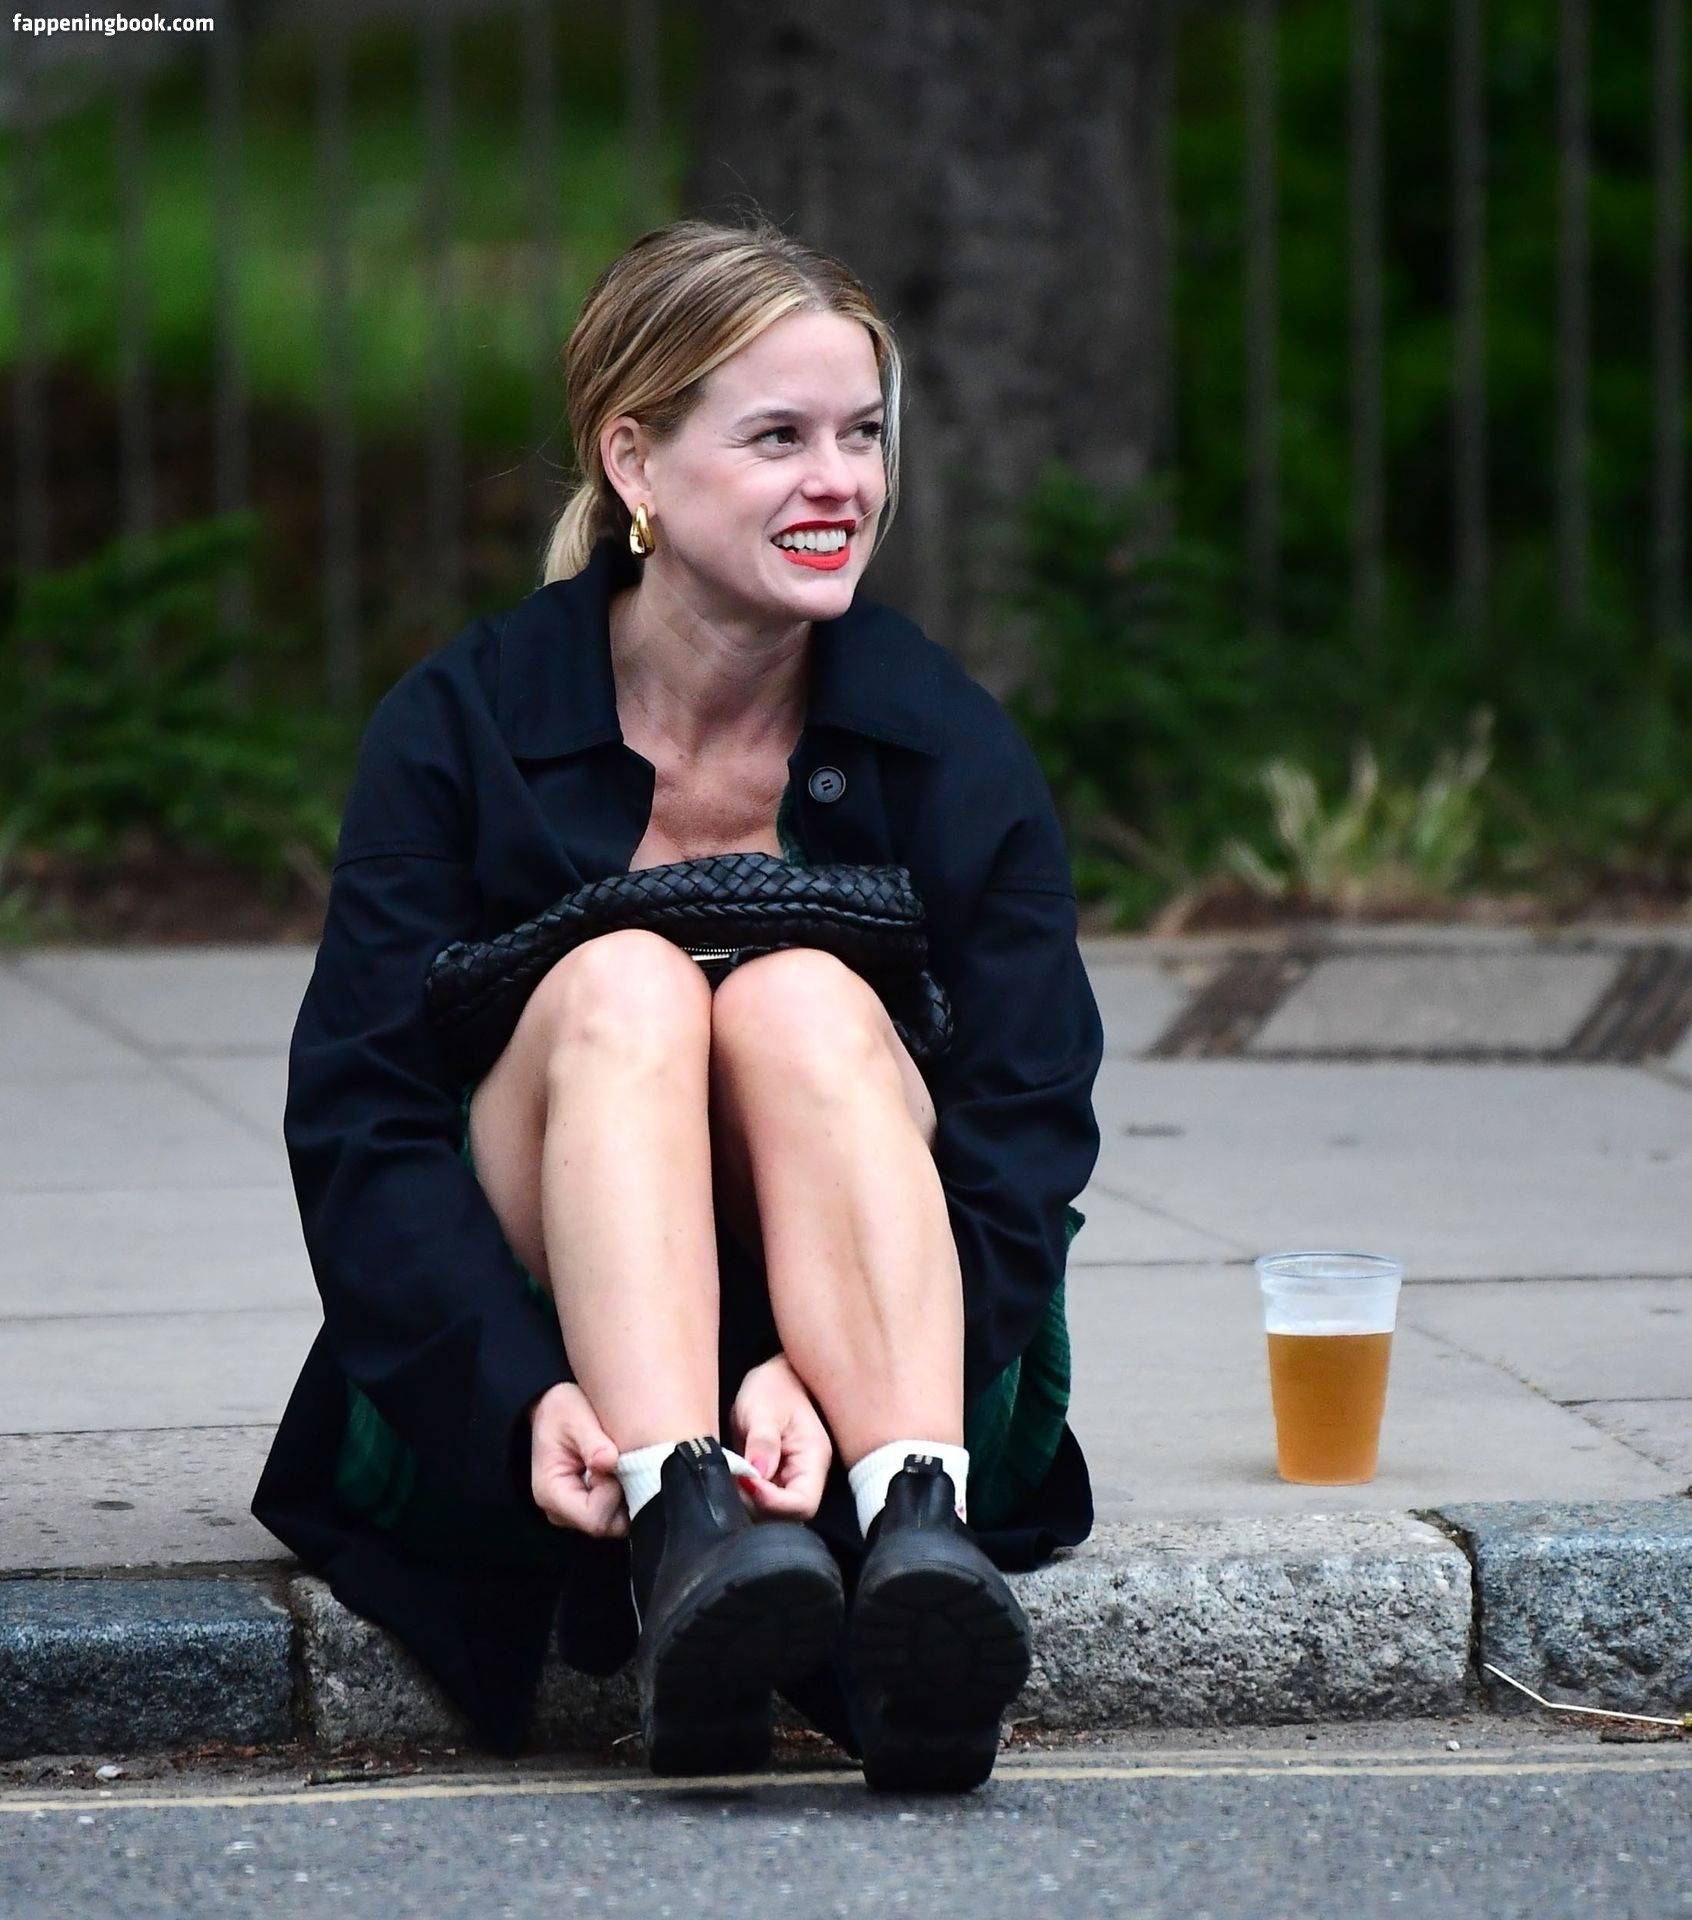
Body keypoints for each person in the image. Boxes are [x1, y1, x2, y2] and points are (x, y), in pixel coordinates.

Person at [253, 216, 1103, 1793]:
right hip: (538, 1387)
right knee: (625, 982)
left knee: (799, 1001)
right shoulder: (464, 724)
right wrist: (512, 1391)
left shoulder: (942, 741)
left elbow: (1029, 1126)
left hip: (898, 1375)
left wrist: (823, 1382)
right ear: (632, 459)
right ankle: (685, 1534)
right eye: (779, 438)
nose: (841, 482)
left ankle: (917, 1544)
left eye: (862, 435)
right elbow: (363, 1123)